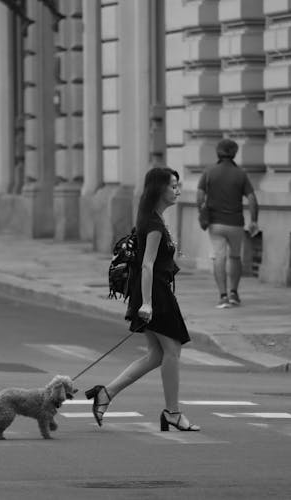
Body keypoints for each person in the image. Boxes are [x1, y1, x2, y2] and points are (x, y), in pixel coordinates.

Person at [85, 167, 200, 432]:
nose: (177, 191)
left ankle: (106, 393)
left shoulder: (151, 218)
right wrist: (147, 304)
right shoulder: (154, 224)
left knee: (156, 355)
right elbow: (147, 265)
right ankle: (173, 412)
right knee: (172, 352)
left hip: (152, 292)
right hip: (156, 295)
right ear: (159, 189)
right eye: (173, 186)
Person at [197, 138, 258, 308]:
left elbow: (199, 196)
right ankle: (234, 293)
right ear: (234, 153)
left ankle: (222, 296)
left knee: (218, 257)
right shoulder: (240, 174)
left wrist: (201, 213)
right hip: (236, 223)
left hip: (215, 223)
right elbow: (252, 199)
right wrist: (254, 220)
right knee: (235, 256)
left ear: (218, 152)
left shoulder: (209, 172)